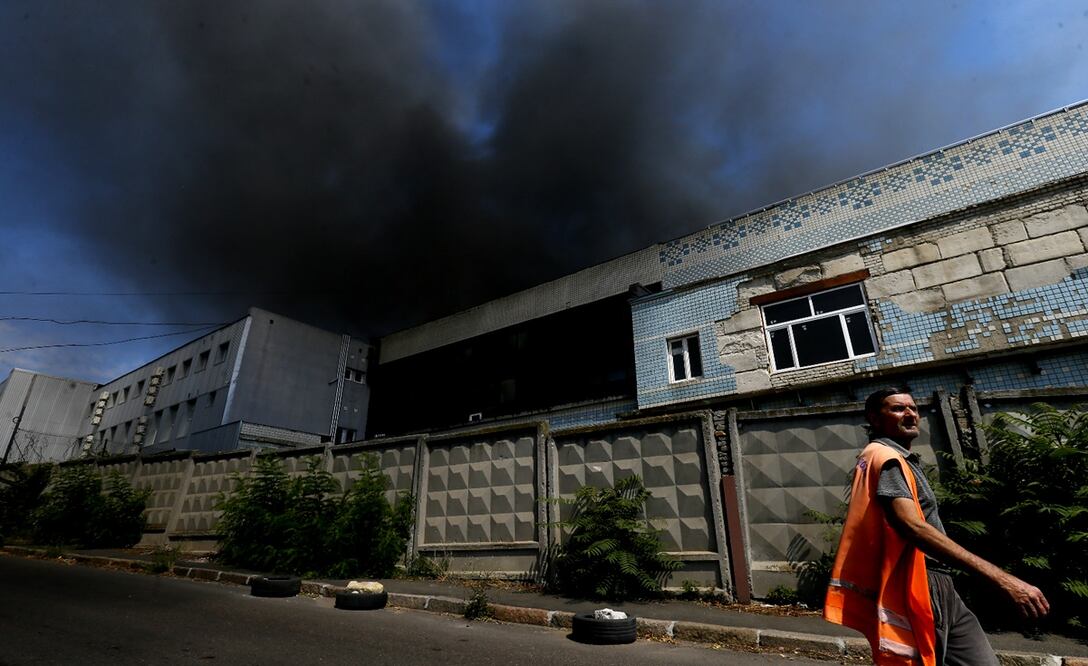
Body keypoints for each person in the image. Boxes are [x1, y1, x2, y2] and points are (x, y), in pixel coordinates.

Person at [823, 388, 1049, 666]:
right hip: (920, 582)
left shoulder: (894, 458)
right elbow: (913, 527)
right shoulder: (886, 458)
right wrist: (1002, 579)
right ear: (875, 418)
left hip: (941, 584)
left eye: (913, 408)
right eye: (898, 409)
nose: (910, 414)